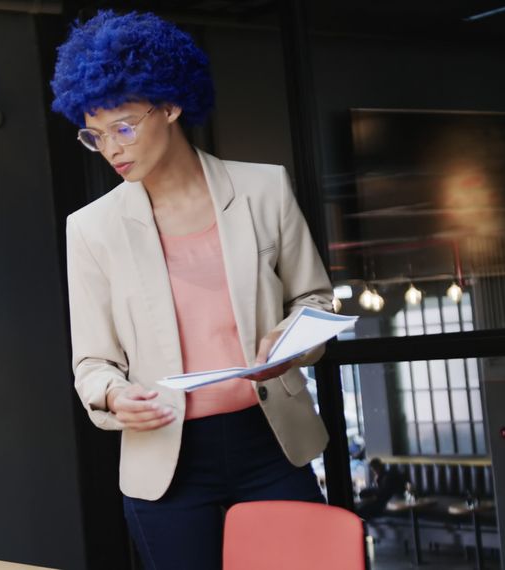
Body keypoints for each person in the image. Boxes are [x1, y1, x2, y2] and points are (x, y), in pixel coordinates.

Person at [52, 10, 335, 570]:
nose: (112, 148)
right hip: (166, 462)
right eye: (95, 134)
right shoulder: (90, 229)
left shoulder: (263, 189)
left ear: (171, 105)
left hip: (272, 445)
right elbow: (93, 362)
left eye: (125, 126)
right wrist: (113, 396)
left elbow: (316, 303)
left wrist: (285, 341)